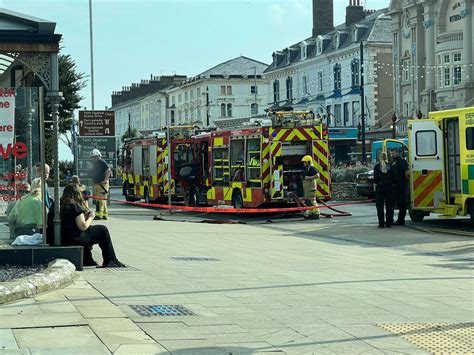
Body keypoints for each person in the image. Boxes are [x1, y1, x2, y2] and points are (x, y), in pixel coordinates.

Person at [59, 184, 125, 267]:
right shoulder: (73, 205)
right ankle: (110, 260)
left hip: (61, 237)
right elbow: (82, 226)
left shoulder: (58, 204)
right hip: (73, 238)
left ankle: (87, 260)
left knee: (90, 232)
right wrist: (91, 217)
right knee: (102, 230)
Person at [374, 152, 395, 228]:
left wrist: (375, 189)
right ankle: (389, 223)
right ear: (386, 158)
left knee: (380, 206)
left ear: (380, 158)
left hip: (380, 186)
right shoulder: (391, 166)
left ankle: (381, 223)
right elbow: (394, 178)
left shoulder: (377, 166)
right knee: (389, 206)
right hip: (389, 187)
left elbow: (375, 179)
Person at [90, 149, 111, 220]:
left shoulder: (102, 162)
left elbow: (108, 171)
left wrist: (105, 180)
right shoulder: (95, 163)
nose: (93, 158)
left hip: (102, 185)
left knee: (100, 200)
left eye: (94, 156)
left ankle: (99, 215)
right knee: (102, 200)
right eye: (92, 157)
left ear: (98, 156)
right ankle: (105, 214)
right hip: (97, 184)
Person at [390, 148, 409, 225]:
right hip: (393, 186)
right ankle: (390, 220)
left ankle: (401, 220)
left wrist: (405, 182)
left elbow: (407, 173)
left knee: (402, 204)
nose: (392, 155)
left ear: (397, 153)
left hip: (401, 185)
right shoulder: (392, 162)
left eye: (393, 153)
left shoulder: (402, 161)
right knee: (391, 204)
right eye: (391, 154)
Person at [301, 155, 320, 220]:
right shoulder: (307, 168)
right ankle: (309, 213)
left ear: (309, 162)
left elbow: (317, 175)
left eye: (305, 162)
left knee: (312, 200)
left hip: (311, 187)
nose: (304, 163)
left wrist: (308, 178)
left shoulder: (311, 168)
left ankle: (316, 213)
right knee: (308, 201)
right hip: (307, 187)